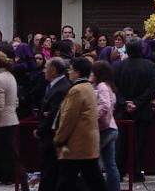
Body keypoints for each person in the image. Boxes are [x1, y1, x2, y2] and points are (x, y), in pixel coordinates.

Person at [54, 57, 106, 191]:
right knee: (93, 179)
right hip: (87, 143)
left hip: (76, 144)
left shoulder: (76, 90)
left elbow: (68, 118)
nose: (69, 72)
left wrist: (59, 138)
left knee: (66, 181)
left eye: (71, 69)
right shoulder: (88, 87)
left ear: (77, 72)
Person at [114, 38, 155, 182]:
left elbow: (114, 87)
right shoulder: (150, 66)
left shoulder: (117, 66)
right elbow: (152, 87)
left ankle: (119, 172)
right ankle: (137, 172)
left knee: (121, 144)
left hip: (123, 111)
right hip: (142, 111)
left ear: (126, 50)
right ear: (141, 49)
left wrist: (124, 102)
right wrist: (137, 103)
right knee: (140, 144)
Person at [36, 57, 71, 191]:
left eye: (46, 67)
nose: (44, 70)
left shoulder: (61, 88)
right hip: (48, 137)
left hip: (53, 137)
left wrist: (40, 130)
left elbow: (53, 115)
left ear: (53, 70)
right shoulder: (53, 86)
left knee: (50, 172)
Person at [0, 51, 27, 185]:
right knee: (10, 154)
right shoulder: (10, 76)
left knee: (7, 155)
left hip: (2, 123)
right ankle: (13, 178)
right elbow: (16, 101)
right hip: (12, 119)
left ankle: (20, 178)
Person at [90, 60, 120, 191]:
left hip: (103, 129)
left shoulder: (101, 86)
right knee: (110, 165)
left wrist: (92, 117)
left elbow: (105, 105)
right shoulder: (109, 86)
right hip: (111, 128)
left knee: (92, 163)